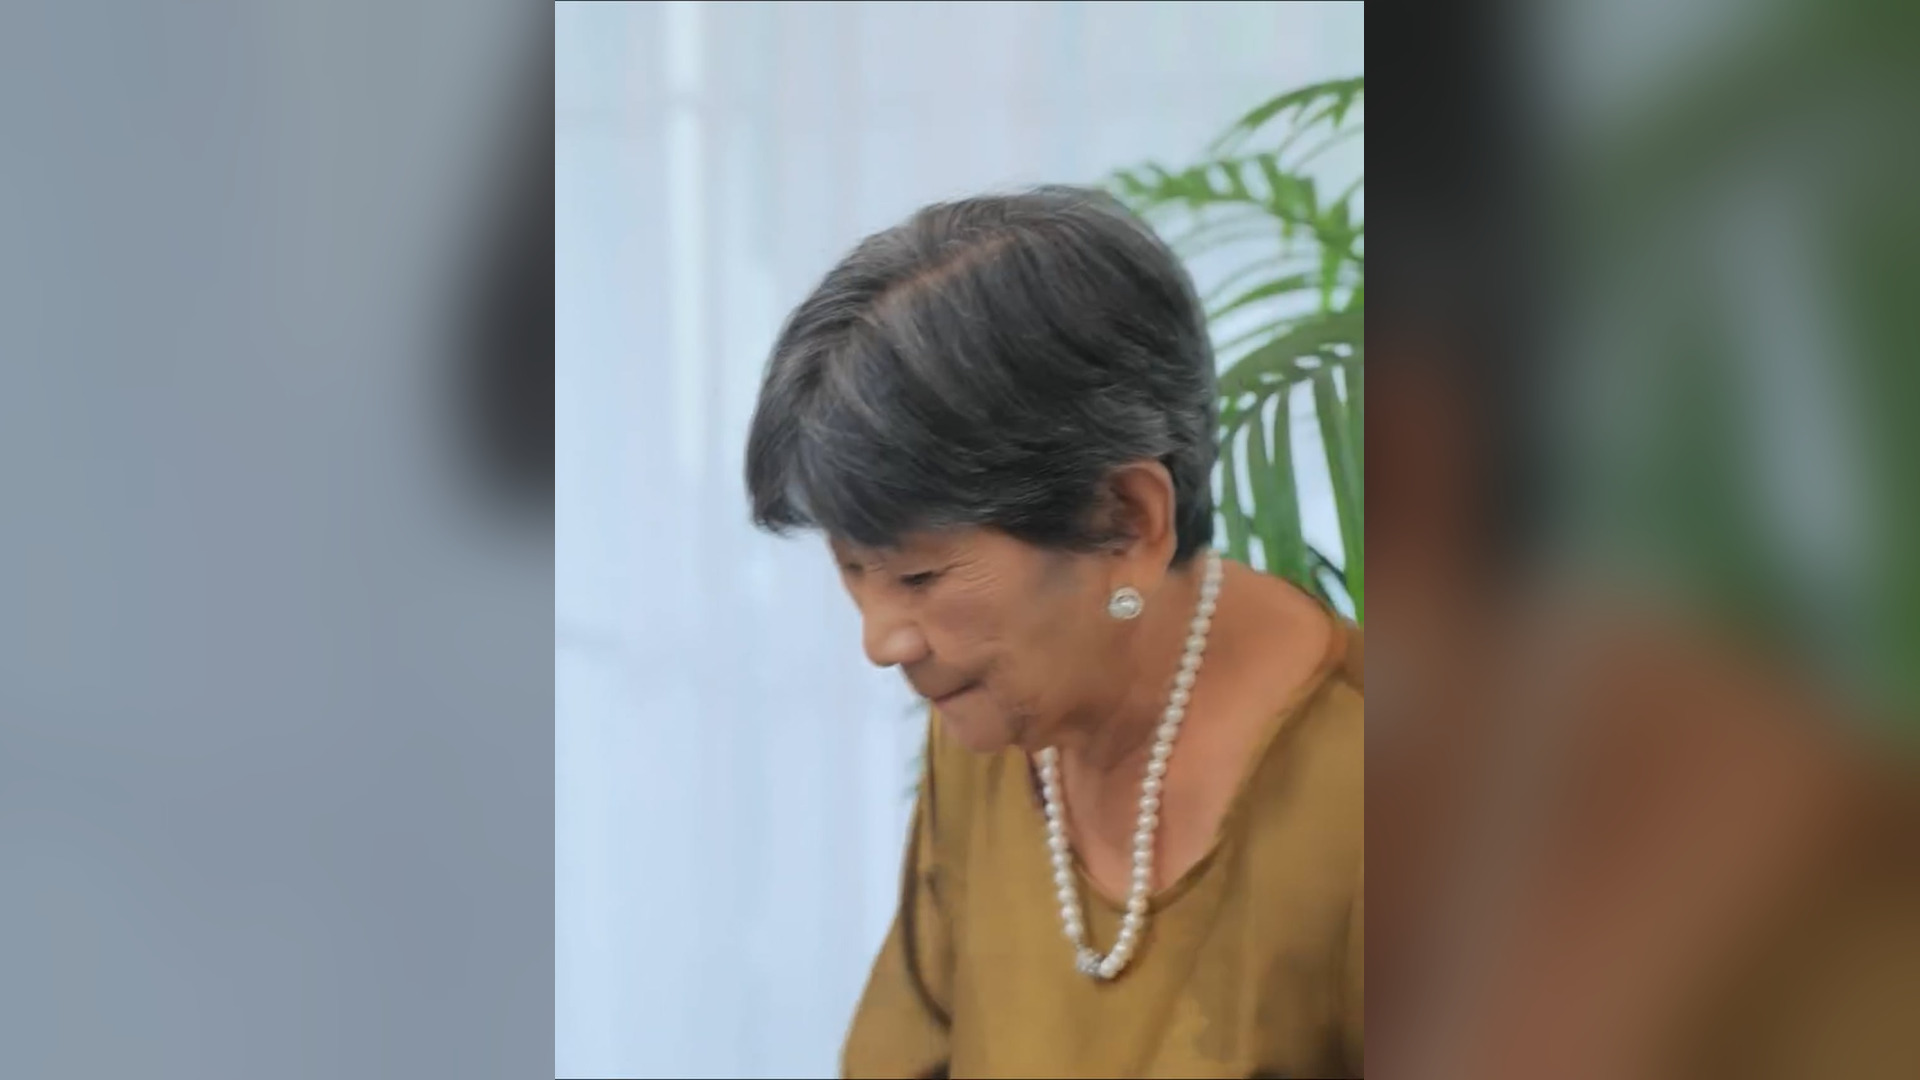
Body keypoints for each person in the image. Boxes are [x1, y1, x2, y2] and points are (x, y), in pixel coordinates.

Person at [742, 186, 1363, 1079]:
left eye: (919, 577)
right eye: (852, 569)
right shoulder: (997, 725)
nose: (882, 641)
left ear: (1128, 520)